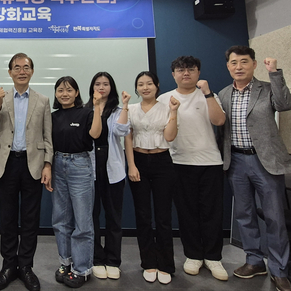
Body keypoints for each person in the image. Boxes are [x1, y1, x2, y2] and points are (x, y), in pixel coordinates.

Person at [219, 46, 291, 291]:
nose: (238, 67)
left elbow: (284, 104)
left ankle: (280, 269)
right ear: (228, 66)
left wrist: (275, 73)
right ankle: (253, 260)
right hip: (236, 161)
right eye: (233, 63)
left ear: (254, 64)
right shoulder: (224, 93)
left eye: (244, 62)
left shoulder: (267, 88)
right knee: (244, 214)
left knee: (275, 217)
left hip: (266, 161)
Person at [0, 53, 53, 291]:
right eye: (17, 67)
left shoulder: (42, 100)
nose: (21, 71)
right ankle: (8, 266)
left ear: (32, 71)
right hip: (7, 164)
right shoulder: (0, 98)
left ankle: (25, 266)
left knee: (30, 219)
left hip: (32, 164)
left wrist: (47, 164)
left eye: (26, 67)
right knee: (8, 218)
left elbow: (48, 136)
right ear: (10, 72)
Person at [157, 56, 228, 281]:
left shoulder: (209, 95)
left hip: (210, 162)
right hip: (179, 163)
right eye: (180, 70)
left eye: (191, 69)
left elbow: (219, 121)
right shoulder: (164, 99)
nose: (185, 73)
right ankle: (194, 255)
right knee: (187, 212)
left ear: (198, 73)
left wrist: (207, 93)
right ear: (173, 74)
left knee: (212, 211)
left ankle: (214, 257)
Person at [124, 71, 179, 285]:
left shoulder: (168, 107)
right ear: (136, 88)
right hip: (138, 161)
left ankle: (166, 264)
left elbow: (170, 136)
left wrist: (174, 112)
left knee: (164, 217)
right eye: (140, 84)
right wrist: (131, 165)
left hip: (162, 162)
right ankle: (148, 262)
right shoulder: (131, 109)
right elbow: (128, 138)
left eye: (149, 83)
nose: (145, 87)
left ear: (157, 85)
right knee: (143, 216)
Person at [51, 76, 104, 288]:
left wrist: (98, 107)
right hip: (57, 164)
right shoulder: (53, 116)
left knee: (82, 222)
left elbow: (95, 134)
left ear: (76, 92)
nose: (65, 94)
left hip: (79, 165)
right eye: (60, 90)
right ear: (55, 94)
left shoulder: (86, 112)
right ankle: (65, 263)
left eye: (69, 90)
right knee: (61, 220)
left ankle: (82, 269)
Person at [88, 72, 130, 281]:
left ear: (111, 87)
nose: (101, 87)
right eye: (98, 84)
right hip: (90, 168)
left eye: (105, 84)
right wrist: (95, 107)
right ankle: (96, 258)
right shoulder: (86, 110)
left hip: (112, 166)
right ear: (92, 87)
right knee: (92, 216)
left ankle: (113, 261)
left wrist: (126, 105)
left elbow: (121, 131)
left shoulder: (119, 110)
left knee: (114, 217)